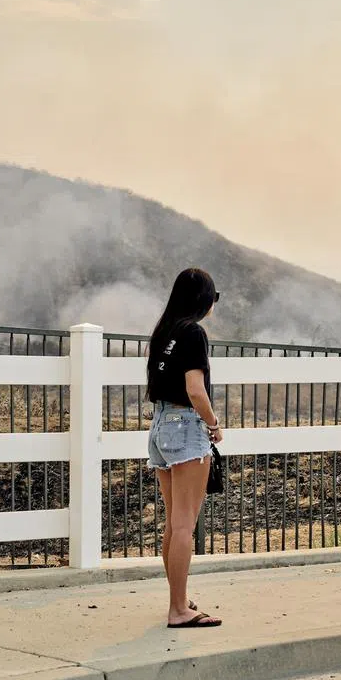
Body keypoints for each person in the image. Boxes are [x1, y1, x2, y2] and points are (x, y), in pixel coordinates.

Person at [146, 268, 224, 627]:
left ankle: (179, 600)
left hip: (160, 425)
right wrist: (212, 423)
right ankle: (179, 610)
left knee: (172, 524)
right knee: (183, 526)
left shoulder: (163, 331)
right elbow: (195, 388)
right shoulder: (194, 332)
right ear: (203, 300)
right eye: (213, 297)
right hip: (185, 427)